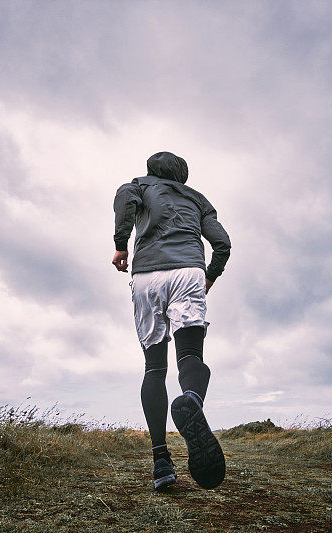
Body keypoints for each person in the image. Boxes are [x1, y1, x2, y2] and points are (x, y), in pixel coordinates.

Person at [112, 151, 231, 491]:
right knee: (191, 356)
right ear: (183, 175)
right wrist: (210, 276)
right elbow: (222, 243)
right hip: (189, 272)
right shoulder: (198, 199)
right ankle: (192, 400)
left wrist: (122, 245)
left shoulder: (137, 185)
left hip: (147, 276)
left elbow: (124, 201)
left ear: (152, 170)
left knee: (154, 368)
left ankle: (161, 462)